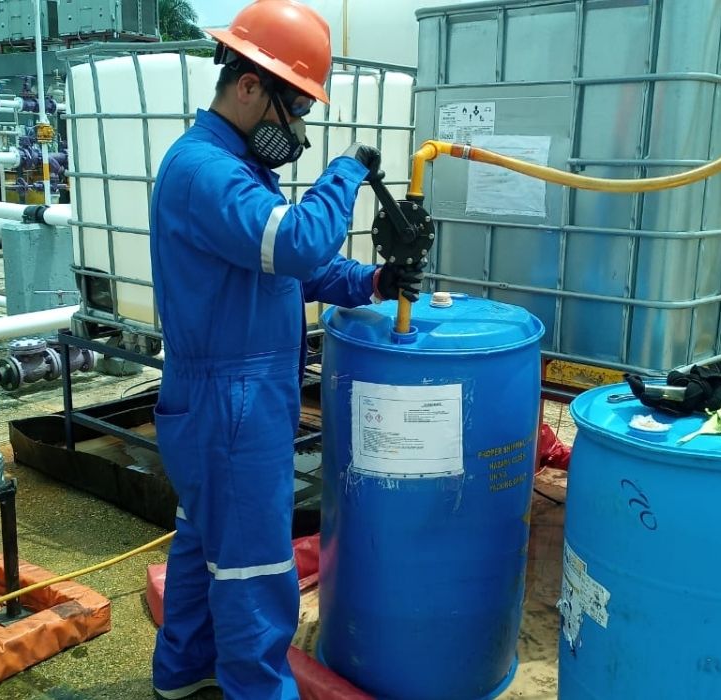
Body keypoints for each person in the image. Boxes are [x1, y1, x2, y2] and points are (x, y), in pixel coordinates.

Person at [148, 1, 423, 699]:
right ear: (248, 86)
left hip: (221, 397)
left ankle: (183, 670)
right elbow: (298, 243)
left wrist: (373, 281)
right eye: (295, 109)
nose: (297, 129)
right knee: (253, 565)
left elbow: (289, 273)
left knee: (204, 542)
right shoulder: (206, 171)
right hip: (231, 403)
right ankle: (258, 689)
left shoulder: (234, 168)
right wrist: (346, 171)